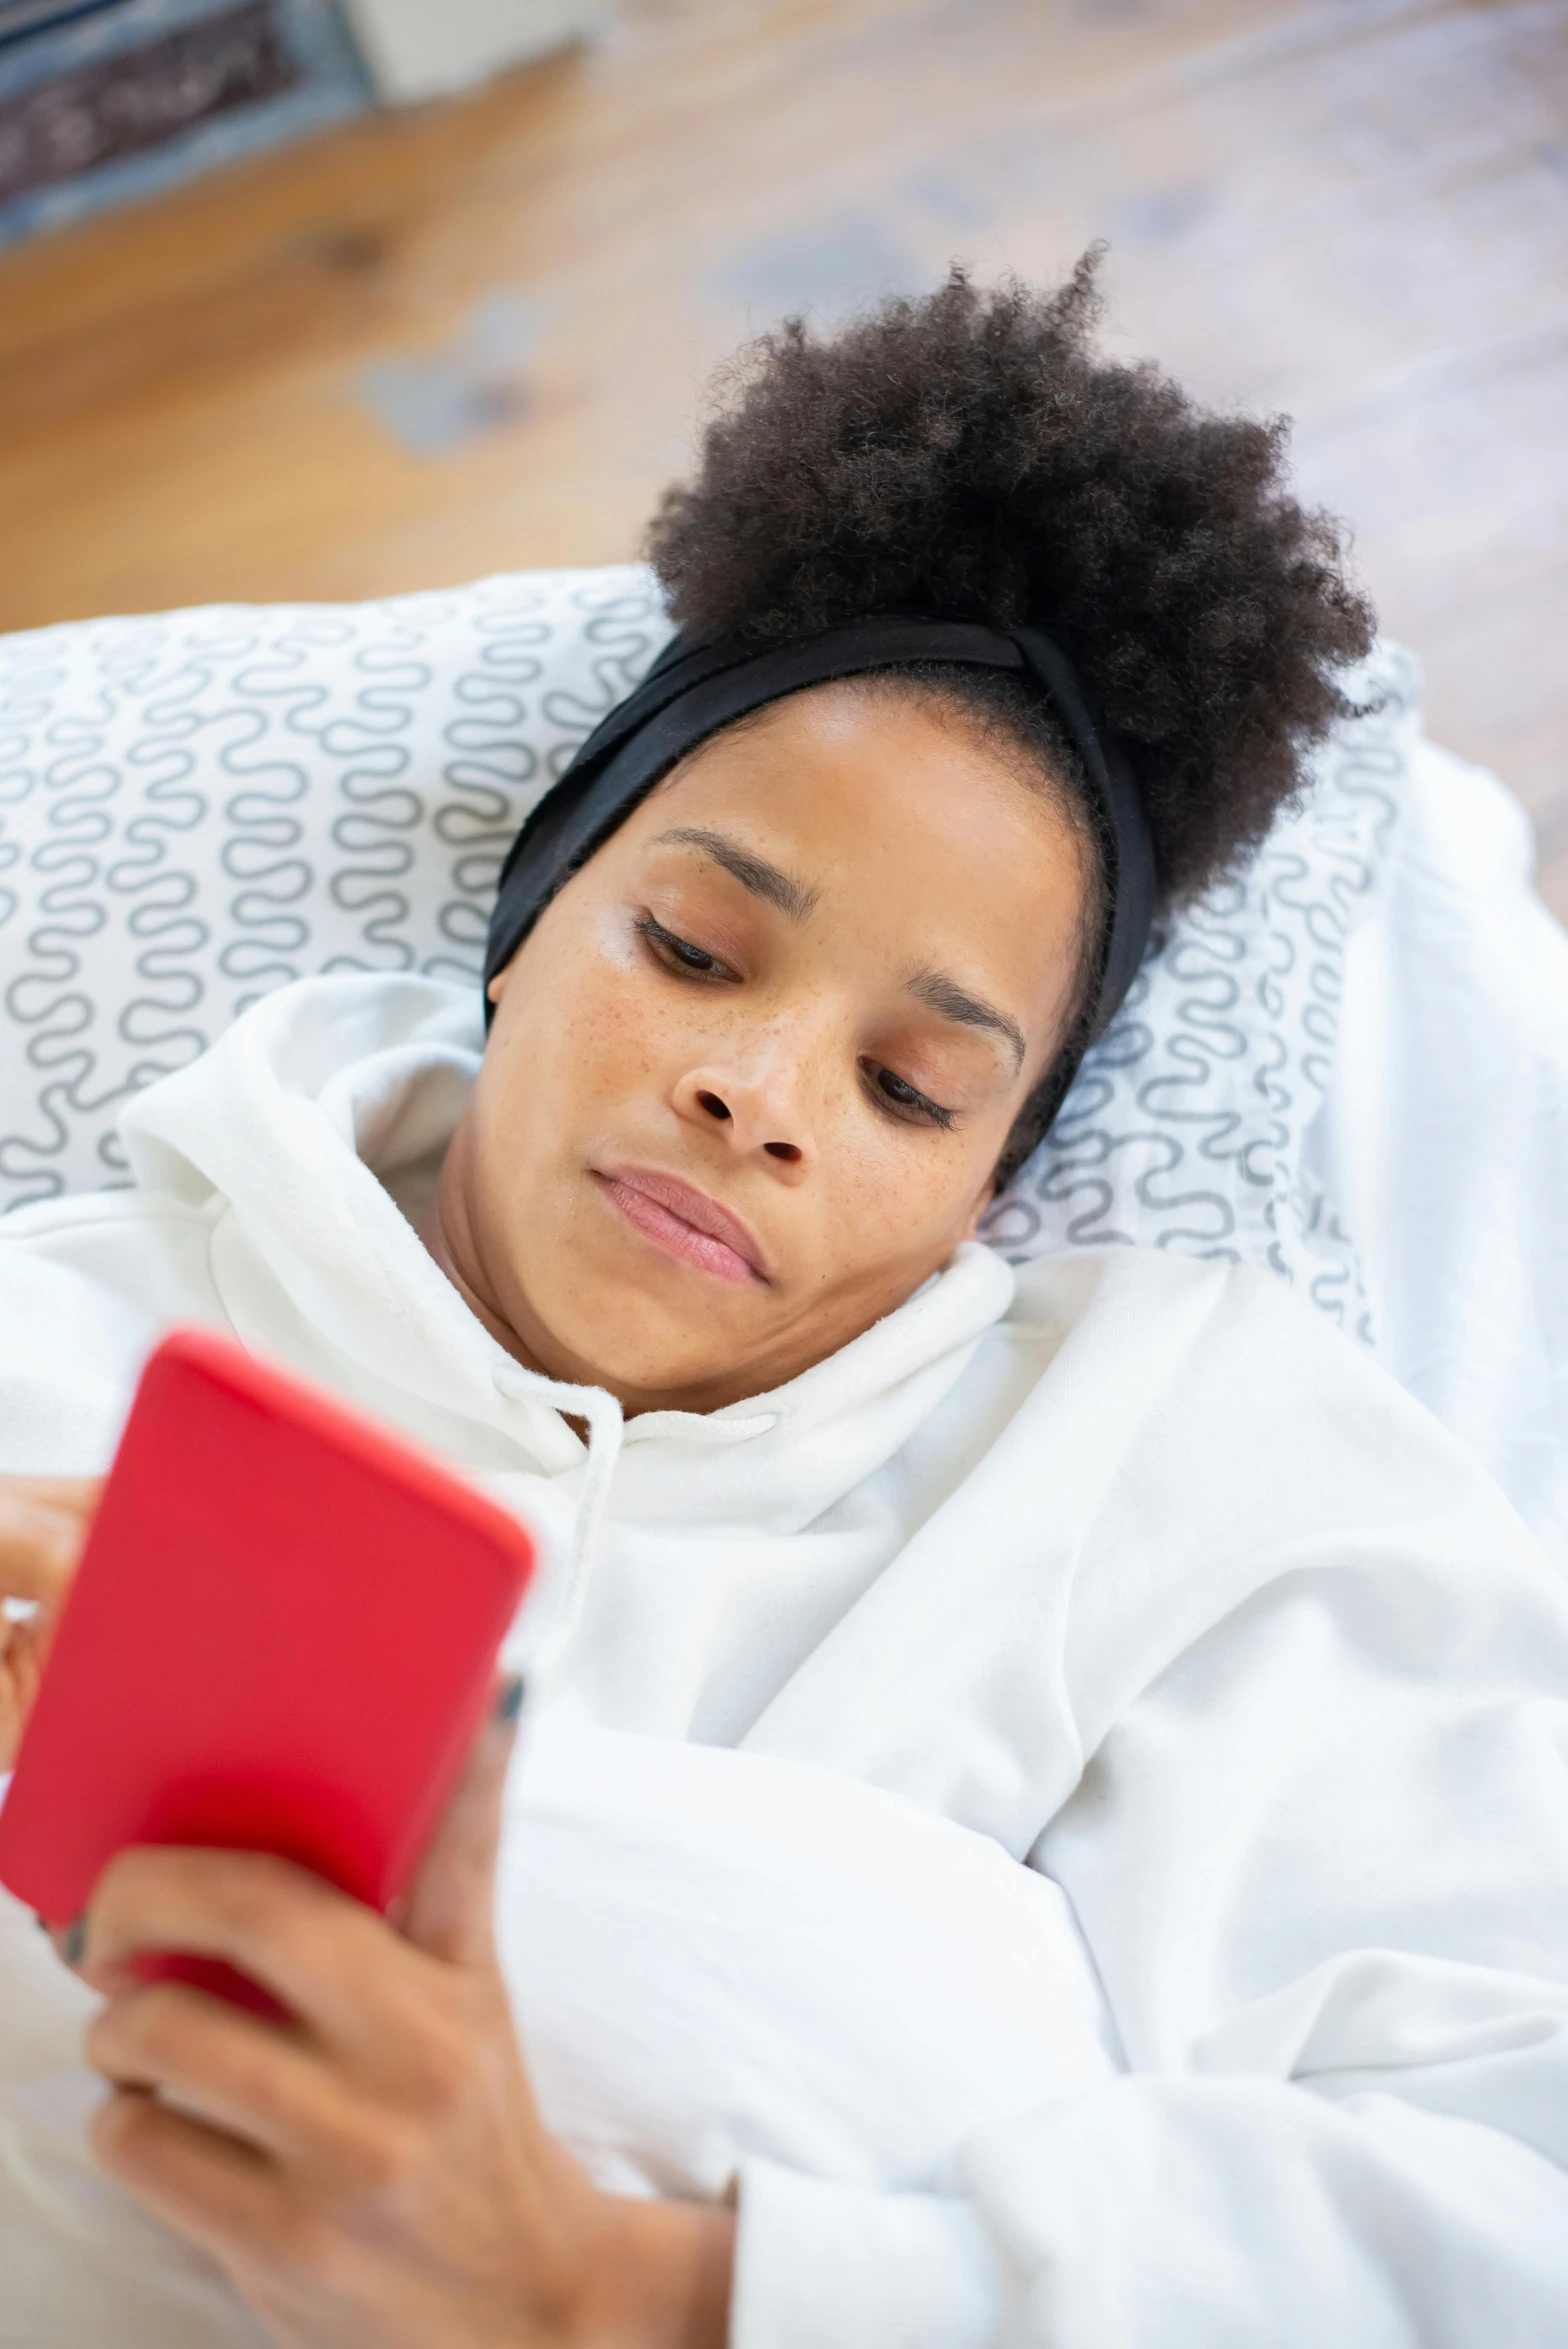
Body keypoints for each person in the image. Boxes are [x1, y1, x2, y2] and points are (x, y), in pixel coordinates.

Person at [2, 262, 1567, 2349]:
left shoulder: (1203, 1471)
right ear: (530, 916)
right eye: (695, 947)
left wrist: (613, 2289)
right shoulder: (51, 1352)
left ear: (990, 1176)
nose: (758, 1094)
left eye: (911, 1088)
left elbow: (1504, 2210)